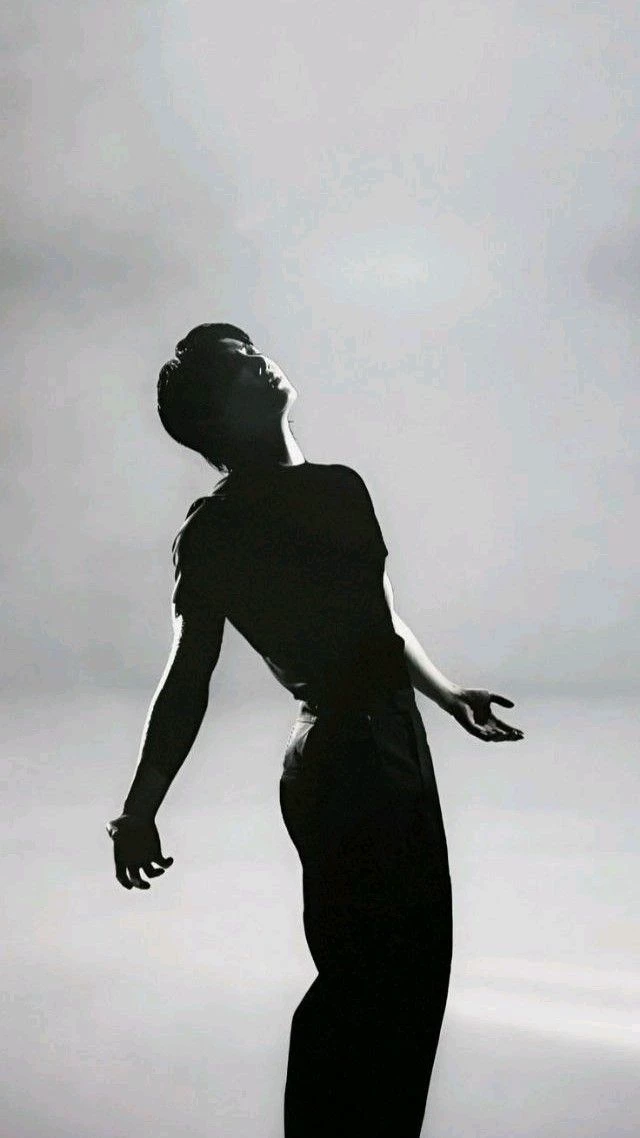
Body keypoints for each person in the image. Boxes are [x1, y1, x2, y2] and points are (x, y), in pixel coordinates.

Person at [106, 322, 524, 1138]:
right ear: (214, 420)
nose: (261, 365)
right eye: (237, 370)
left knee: (406, 979)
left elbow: (382, 622)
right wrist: (138, 809)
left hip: (392, 747)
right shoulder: (216, 529)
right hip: (347, 762)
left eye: (253, 354)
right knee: (368, 985)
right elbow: (189, 675)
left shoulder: (341, 487)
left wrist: (448, 696)